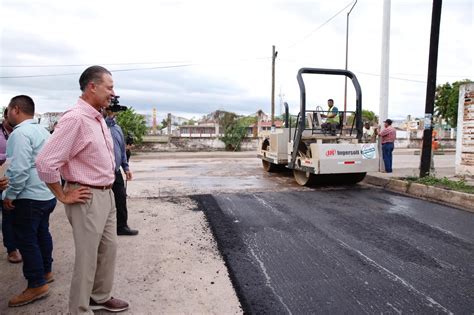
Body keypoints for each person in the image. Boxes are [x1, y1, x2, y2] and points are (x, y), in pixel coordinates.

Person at [36, 66, 129, 314]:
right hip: (87, 196)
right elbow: (46, 162)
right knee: (87, 256)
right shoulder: (76, 118)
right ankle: (78, 309)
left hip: (106, 193)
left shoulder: (97, 118)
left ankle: (100, 296)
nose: (113, 92)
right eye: (109, 87)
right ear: (92, 86)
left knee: (108, 249)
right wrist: (63, 195)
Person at [3, 95, 57, 307]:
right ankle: (46, 270)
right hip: (46, 193)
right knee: (42, 232)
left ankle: (36, 284)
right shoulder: (43, 131)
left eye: (7, 110)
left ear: (16, 109)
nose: (6, 114)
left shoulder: (20, 134)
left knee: (26, 239)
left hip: (28, 196)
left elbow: (19, 169)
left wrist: (10, 195)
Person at [105, 108, 138, 236]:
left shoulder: (117, 128)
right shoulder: (102, 126)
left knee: (121, 198)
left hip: (116, 171)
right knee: (102, 202)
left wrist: (126, 168)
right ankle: (103, 229)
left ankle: (121, 226)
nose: (113, 113)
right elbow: (105, 123)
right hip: (103, 172)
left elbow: (122, 150)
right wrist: (109, 115)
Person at [0, 108, 22, 264]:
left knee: (9, 216)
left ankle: (12, 249)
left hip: (9, 181)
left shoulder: (20, 132)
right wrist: (8, 156)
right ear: (6, 116)